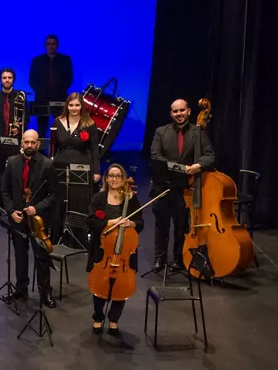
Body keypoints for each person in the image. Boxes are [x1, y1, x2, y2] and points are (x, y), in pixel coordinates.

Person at [149, 99, 215, 270]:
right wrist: (180, 168)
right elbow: (156, 156)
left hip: (186, 188)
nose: (179, 114)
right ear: (171, 113)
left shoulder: (198, 132)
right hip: (163, 185)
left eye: (182, 110)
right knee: (161, 224)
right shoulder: (161, 132)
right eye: (175, 111)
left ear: (189, 111)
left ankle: (178, 259)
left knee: (181, 225)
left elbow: (210, 155)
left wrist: (197, 166)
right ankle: (160, 258)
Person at [1, 130, 58, 308]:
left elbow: (54, 194)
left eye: (33, 142)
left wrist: (37, 208)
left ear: (38, 144)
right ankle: (21, 289)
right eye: (26, 142)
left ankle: (45, 292)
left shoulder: (47, 164)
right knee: (20, 256)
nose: (29, 146)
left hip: (38, 220)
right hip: (18, 219)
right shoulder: (12, 163)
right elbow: (5, 191)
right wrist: (11, 212)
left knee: (41, 257)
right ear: (22, 143)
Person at [85, 163, 144, 334]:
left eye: (118, 176)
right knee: (98, 284)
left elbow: (140, 223)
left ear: (123, 179)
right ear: (106, 178)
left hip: (124, 250)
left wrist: (131, 222)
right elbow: (90, 221)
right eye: (111, 175)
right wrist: (110, 222)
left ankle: (114, 318)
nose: (114, 179)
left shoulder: (131, 198)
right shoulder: (99, 198)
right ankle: (97, 316)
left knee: (122, 286)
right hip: (102, 250)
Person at [50, 92, 100, 242]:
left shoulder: (89, 124)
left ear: (82, 106)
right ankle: (58, 236)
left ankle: (77, 237)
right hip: (61, 164)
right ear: (67, 105)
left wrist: (96, 170)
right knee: (60, 199)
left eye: (77, 105)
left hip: (82, 165)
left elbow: (94, 149)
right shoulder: (57, 122)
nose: (74, 108)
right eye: (71, 105)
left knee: (78, 201)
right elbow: (53, 147)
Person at [0, 68, 28, 207]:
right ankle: (0, 200)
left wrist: (19, 127)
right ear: (0, 80)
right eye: (4, 77)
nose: (7, 80)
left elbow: (25, 117)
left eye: (10, 77)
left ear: (13, 79)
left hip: (15, 140)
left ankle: (15, 199)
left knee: (15, 171)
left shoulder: (20, 96)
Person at [29, 35, 74, 139]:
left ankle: (59, 152)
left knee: (60, 127)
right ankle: (41, 152)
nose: (51, 46)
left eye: (53, 44)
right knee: (42, 127)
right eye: (49, 44)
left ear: (57, 45)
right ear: (45, 45)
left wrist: (58, 92)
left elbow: (69, 79)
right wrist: (41, 91)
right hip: (41, 99)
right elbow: (32, 80)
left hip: (60, 98)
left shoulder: (65, 60)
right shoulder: (37, 61)